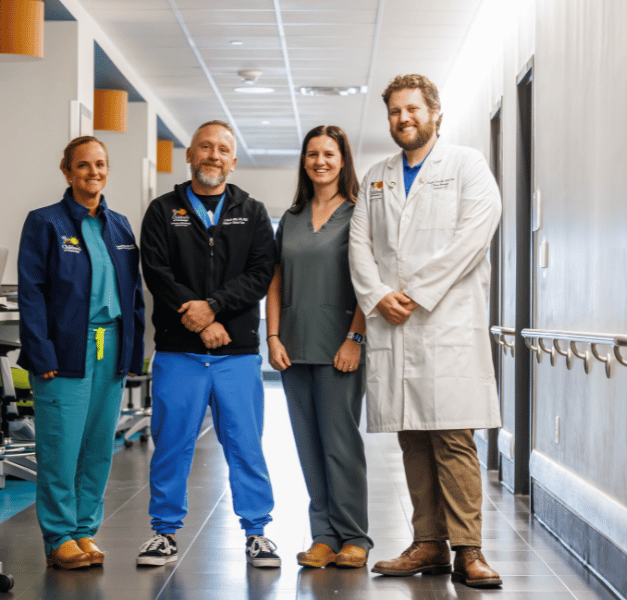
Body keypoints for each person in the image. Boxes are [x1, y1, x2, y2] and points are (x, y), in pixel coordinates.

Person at [348, 74, 503, 587]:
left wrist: (414, 292)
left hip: (446, 321)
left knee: (454, 436)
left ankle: (470, 550)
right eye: (394, 111)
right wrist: (376, 296)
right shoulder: (376, 176)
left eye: (412, 109)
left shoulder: (466, 166)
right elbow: (360, 247)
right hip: (395, 324)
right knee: (412, 437)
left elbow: (473, 235)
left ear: (434, 112)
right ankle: (428, 544)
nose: (403, 118)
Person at [137, 120, 279, 568]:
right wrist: (199, 322)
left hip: (235, 353)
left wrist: (213, 308)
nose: (213, 155)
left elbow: (261, 274)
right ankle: (163, 532)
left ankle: (257, 532)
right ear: (189, 155)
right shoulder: (163, 211)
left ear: (233, 161)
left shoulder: (252, 212)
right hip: (180, 352)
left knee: (245, 442)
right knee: (172, 442)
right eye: (205, 147)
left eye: (222, 149)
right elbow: (157, 274)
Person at [18, 136, 145, 569]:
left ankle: (85, 530)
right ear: (67, 170)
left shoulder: (121, 226)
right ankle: (58, 537)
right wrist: (41, 352)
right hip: (66, 348)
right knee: (61, 447)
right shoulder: (45, 223)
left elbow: (133, 296)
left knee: (97, 448)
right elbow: (31, 292)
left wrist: (133, 353)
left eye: (101, 164)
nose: (94, 172)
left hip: (111, 347)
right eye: (85, 165)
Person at [266, 125, 373, 569]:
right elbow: (275, 281)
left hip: (338, 349)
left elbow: (369, 280)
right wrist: (271, 337)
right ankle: (323, 536)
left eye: (329, 153)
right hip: (293, 348)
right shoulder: (291, 217)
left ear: (343, 160)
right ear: (304, 161)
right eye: (312, 154)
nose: (320, 161)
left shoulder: (358, 213)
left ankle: (355, 537)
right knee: (308, 446)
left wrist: (355, 338)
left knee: (340, 445)